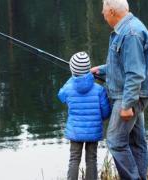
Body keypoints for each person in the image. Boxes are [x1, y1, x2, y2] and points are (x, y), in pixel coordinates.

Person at [90, 0, 148, 179]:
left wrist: (127, 105)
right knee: (136, 141)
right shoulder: (126, 30)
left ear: (111, 11)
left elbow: (135, 73)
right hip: (130, 93)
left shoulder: (131, 33)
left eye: (103, 10)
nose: (102, 14)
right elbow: (123, 63)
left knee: (115, 141)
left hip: (129, 95)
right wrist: (101, 70)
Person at [58, 51, 111, 180]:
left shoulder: (68, 88)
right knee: (91, 159)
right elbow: (106, 112)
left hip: (75, 132)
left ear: (73, 70)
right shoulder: (99, 90)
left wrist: (72, 78)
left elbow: (61, 95)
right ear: (88, 69)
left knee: (74, 159)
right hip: (93, 130)